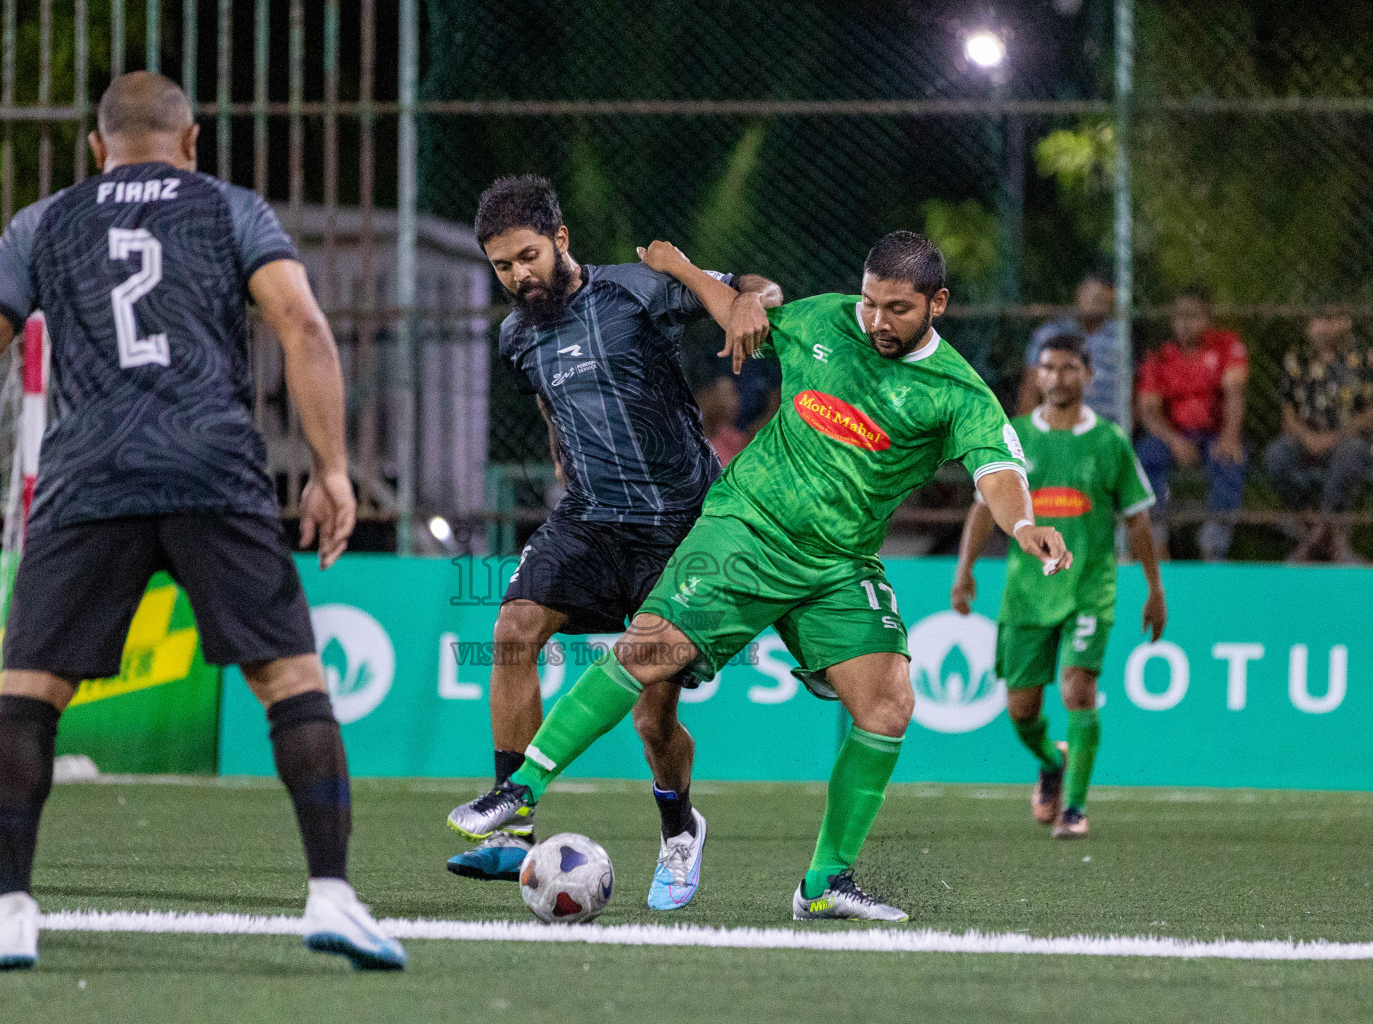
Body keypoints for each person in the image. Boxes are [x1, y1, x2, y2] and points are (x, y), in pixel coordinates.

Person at [450, 231, 1072, 922]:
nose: (876, 321)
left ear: (938, 303)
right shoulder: (826, 320)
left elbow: (998, 470)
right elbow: (743, 311)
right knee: (647, 653)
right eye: (870, 303)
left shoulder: (958, 392)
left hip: (837, 564)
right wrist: (689, 271)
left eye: (897, 309)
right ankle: (522, 789)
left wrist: (1023, 526)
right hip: (746, 527)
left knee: (888, 704)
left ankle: (826, 882)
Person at [0, 72, 404, 971]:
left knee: (28, 697)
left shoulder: (45, 221)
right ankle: (334, 896)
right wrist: (333, 470)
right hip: (211, 467)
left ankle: (12, 910)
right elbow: (302, 325)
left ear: (96, 148)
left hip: (87, 477)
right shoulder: (232, 208)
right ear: (192, 141)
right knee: (291, 679)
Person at [446, 174, 781, 911]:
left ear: (560, 237)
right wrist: (562, 442)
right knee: (512, 631)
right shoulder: (516, 334)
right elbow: (550, 394)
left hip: (681, 525)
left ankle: (679, 828)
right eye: (502, 265)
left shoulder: (636, 290)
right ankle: (516, 823)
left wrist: (752, 298)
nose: (518, 275)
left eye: (528, 256)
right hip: (592, 517)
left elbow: (756, 285)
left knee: (652, 715)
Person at [952, 333, 1166, 839]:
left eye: (1070, 367)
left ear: (1089, 375)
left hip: (1089, 587)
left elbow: (1137, 521)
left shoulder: (1111, 441)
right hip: (1026, 592)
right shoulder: (1013, 437)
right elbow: (984, 508)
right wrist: (964, 572)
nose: (1058, 376)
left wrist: (1155, 589)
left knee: (1077, 689)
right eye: (1048, 367)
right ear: (1036, 375)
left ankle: (1074, 808)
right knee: (1021, 710)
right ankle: (1052, 761)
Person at [1134, 287, 1248, 560]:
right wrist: (1175, 441)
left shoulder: (1227, 345)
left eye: (1193, 316)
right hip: (1173, 434)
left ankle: (1214, 541)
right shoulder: (1159, 355)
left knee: (1231, 459)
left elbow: (1235, 394)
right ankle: (1156, 536)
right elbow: (1148, 410)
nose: (1185, 324)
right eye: (1179, 316)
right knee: (1144, 455)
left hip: (1215, 433)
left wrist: (1230, 436)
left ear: (1207, 317)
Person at [1264, 306, 1373, 562]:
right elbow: (1288, 413)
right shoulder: (1296, 360)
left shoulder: (1365, 358)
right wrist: (1309, 438)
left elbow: (1370, 414)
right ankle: (1318, 528)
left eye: (1327, 319)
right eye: (1316, 319)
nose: (1319, 327)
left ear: (1344, 323)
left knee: (1354, 452)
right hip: (1305, 440)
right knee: (1276, 454)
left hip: (1347, 440)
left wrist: (1332, 438)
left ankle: (1315, 537)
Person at [1017, 269, 1121, 422]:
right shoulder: (1049, 334)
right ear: (1079, 292)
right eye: (1092, 296)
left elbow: (1131, 393)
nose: (1095, 304)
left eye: (1101, 300)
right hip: (1055, 430)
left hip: (1106, 429)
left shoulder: (1120, 337)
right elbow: (1029, 390)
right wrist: (1028, 436)